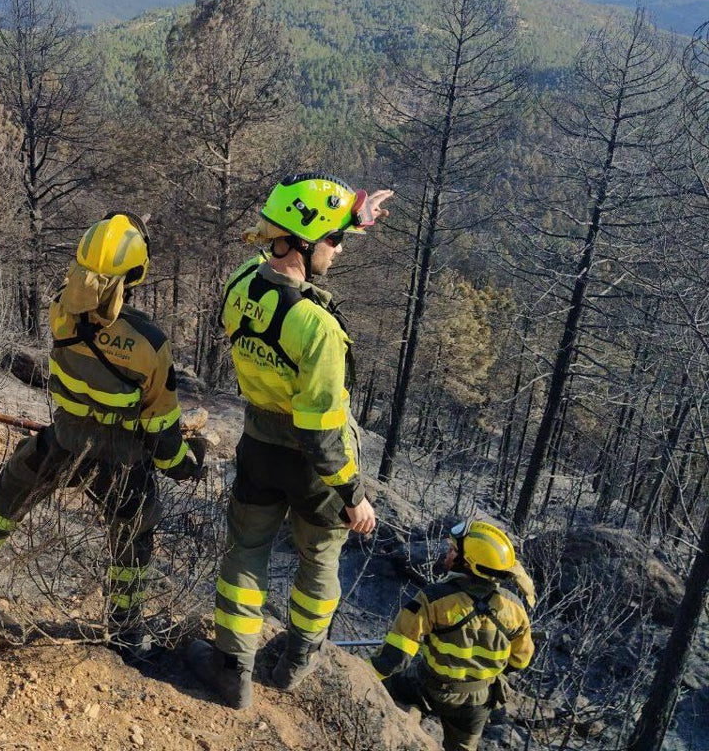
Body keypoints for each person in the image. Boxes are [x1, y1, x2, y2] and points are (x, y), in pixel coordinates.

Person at [0, 213, 204, 658]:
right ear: (137, 274)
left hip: (65, 440)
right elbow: (161, 430)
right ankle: (124, 630)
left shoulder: (61, 309)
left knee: (12, 491)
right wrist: (187, 464)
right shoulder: (148, 344)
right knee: (132, 535)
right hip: (121, 459)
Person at [186, 173, 392, 709]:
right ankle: (298, 659)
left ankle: (232, 669)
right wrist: (354, 496)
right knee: (320, 561)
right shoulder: (318, 329)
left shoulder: (239, 284)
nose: (340, 250)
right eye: (336, 240)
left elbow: (294, 244)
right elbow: (321, 433)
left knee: (245, 553)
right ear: (304, 243)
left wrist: (356, 215)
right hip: (315, 467)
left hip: (258, 447)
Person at [370, 519, 535, 751]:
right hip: (478, 700)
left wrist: (363, 675)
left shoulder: (432, 599)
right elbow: (521, 660)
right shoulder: (515, 607)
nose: (447, 554)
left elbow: (395, 656)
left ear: (468, 563)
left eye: (453, 550)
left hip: (430, 686)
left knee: (392, 689)